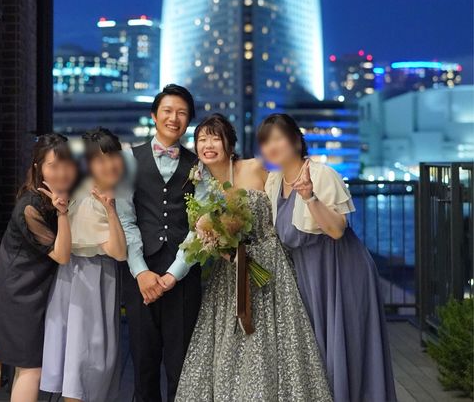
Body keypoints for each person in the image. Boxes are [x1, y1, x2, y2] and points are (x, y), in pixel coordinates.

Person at [175, 114, 332, 402]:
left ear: (229, 143)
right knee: (231, 342)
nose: (208, 145)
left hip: (270, 265)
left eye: (215, 138)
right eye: (202, 139)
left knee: (274, 339)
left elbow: (285, 200)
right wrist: (218, 244)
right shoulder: (202, 185)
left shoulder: (255, 167)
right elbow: (198, 235)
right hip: (230, 271)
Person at [258, 113, 397, 402]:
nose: (272, 146)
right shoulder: (273, 182)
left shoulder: (322, 175)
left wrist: (310, 197)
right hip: (307, 277)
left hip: (340, 271)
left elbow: (336, 230)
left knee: (346, 349)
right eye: (266, 141)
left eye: (278, 138)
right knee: (318, 354)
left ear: (296, 141)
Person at [120, 84, 201, 402]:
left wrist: (174, 274)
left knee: (181, 367)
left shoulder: (198, 165)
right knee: (143, 365)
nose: (174, 118)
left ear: (189, 120)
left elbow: (200, 228)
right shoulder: (129, 159)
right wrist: (140, 271)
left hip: (182, 277)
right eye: (167, 111)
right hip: (140, 275)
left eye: (182, 113)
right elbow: (125, 219)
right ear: (154, 116)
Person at [0, 133, 77, 402]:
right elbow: (61, 255)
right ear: (38, 168)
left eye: (66, 164)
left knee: (27, 368)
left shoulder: (54, 196)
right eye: (53, 166)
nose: (61, 172)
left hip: (32, 291)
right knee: (31, 369)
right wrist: (63, 214)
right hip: (18, 295)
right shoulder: (30, 206)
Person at [41, 128, 128, 402]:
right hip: (81, 276)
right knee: (81, 361)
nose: (109, 164)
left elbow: (118, 252)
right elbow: (118, 252)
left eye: (113, 156)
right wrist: (110, 210)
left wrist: (111, 209)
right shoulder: (84, 194)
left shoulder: (114, 191)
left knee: (92, 361)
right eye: (99, 159)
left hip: (98, 276)